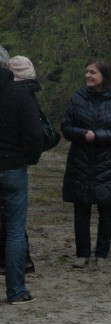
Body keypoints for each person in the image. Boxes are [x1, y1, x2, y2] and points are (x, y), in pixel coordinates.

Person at [61, 59, 111, 269]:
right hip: (80, 161)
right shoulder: (78, 97)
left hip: (107, 163)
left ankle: (102, 254)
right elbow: (66, 126)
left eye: (93, 72)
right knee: (81, 210)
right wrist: (84, 135)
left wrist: (97, 136)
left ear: (104, 76)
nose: (88, 75)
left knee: (106, 211)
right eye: (87, 71)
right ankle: (82, 254)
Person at [0, 49, 43, 304]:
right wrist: (31, 158)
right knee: (15, 229)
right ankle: (16, 291)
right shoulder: (20, 92)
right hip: (13, 166)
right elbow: (34, 133)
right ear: (8, 66)